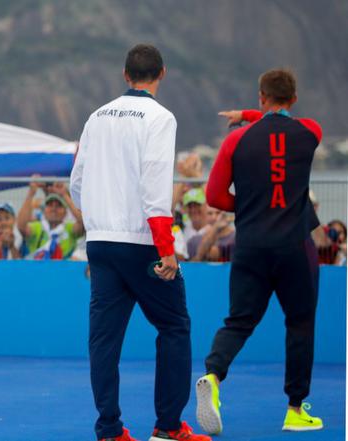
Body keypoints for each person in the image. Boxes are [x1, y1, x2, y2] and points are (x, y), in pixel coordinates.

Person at [70, 44, 210, 441]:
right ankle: (168, 427)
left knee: (104, 339)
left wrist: (98, 225)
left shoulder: (96, 117)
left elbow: (76, 183)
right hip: (143, 242)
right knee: (174, 326)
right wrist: (166, 248)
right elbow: (154, 184)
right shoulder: (160, 118)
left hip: (100, 242)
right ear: (161, 73)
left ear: (124, 74)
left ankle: (110, 430)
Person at [196, 69, 324, 434]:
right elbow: (289, 124)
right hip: (295, 247)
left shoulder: (236, 141)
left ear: (260, 97)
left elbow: (214, 197)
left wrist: (253, 205)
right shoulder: (310, 132)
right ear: (294, 99)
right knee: (300, 324)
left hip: (250, 245)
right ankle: (296, 410)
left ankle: (213, 377)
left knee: (238, 321)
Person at [17, 180, 84, 260]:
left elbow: (83, 222)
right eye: (49, 205)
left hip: (63, 271)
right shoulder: (37, 227)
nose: (54, 209)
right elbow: (21, 226)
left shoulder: (70, 228)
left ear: (65, 211)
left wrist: (64, 195)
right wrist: (31, 193)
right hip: (37, 270)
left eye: (59, 206)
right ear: (44, 210)